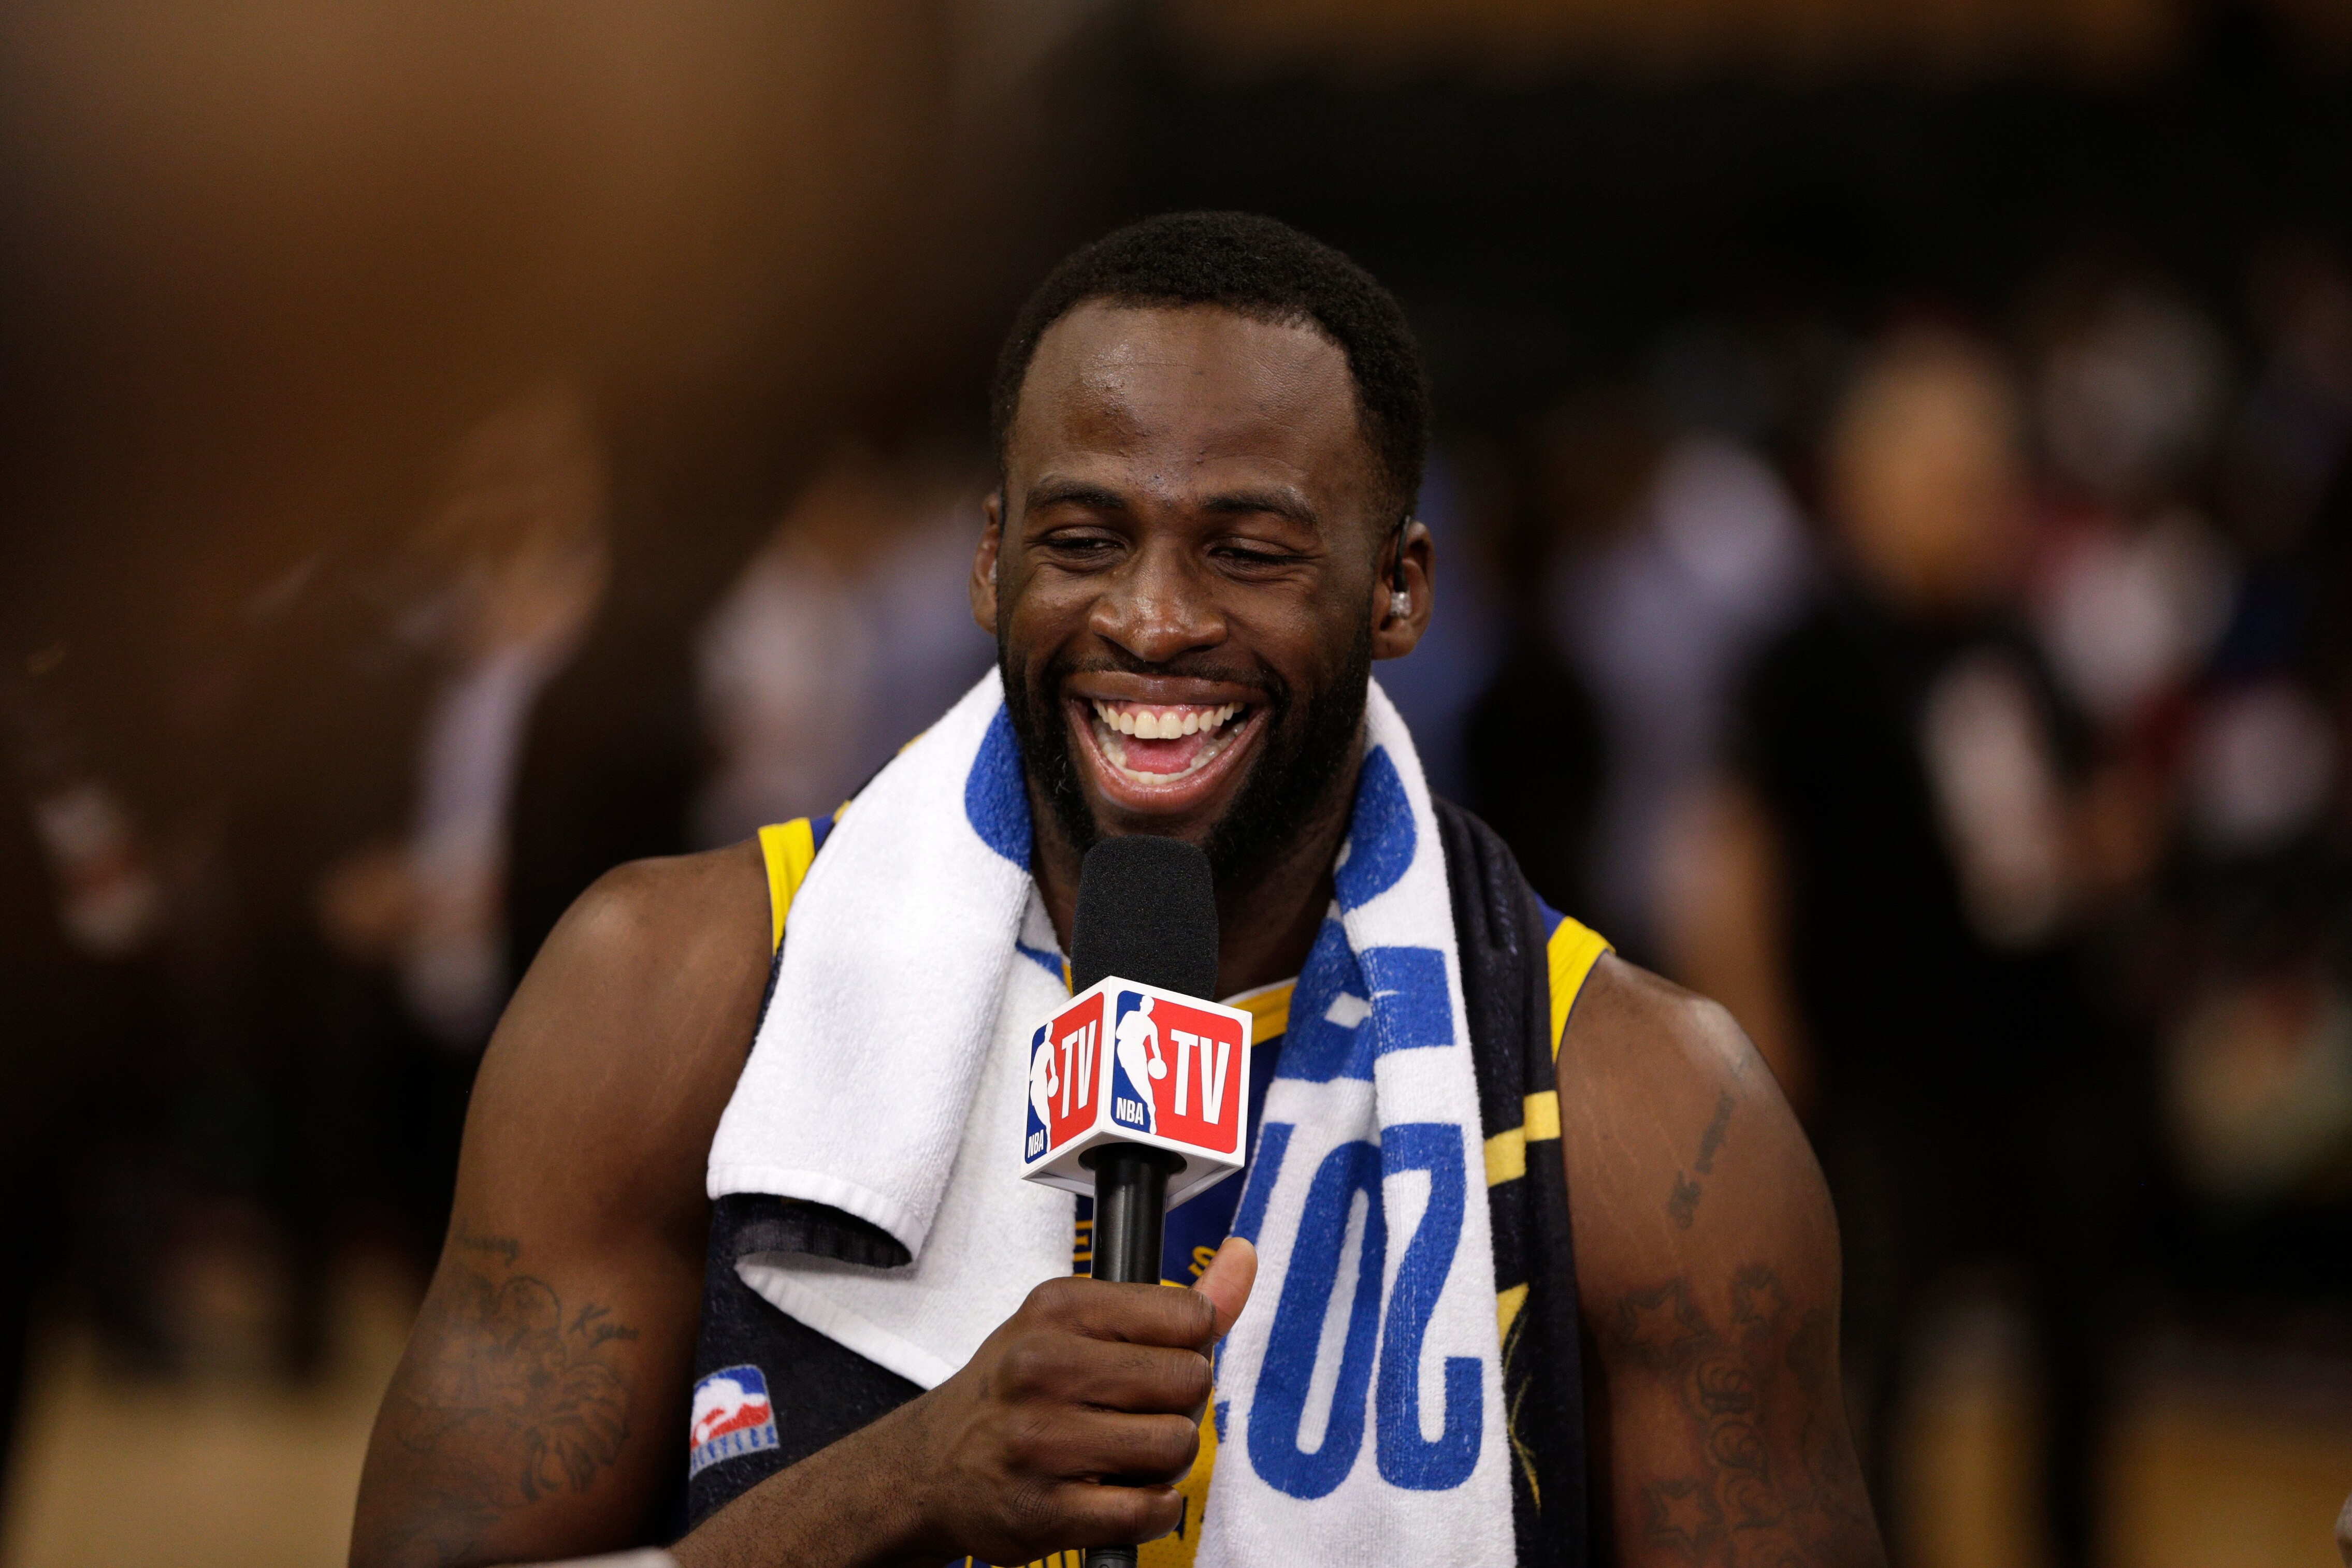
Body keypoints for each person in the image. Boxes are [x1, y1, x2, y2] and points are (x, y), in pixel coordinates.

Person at [351, 212, 1881, 1568]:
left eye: (1248, 550)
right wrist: (891, 1486)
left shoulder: (1646, 1114)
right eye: (1084, 541)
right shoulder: (666, 988)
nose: (1152, 619)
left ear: (1398, 587)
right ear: (988, 565)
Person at [1665, 325, 2121, 1566]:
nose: (1981, 501)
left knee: (2084, 1335)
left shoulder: (2012, 640)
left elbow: (2077, 814)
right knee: (1888, 1358)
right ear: (1874, 478)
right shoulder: (1804, 651)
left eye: (1992, 473)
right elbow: (1734, 848)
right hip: (1879, 1060)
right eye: (1953, 474)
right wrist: (1758, 1052)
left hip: (2040, 1042)